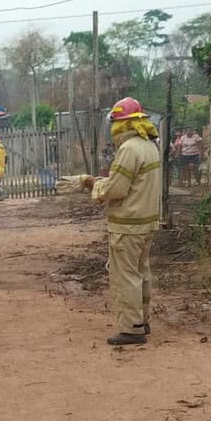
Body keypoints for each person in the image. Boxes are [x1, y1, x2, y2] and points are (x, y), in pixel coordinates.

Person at [79, 97, 163, 346]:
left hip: (127, 225)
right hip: (146, 223)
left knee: (125, 277)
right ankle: (142, 320)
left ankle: (132, 328)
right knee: (141, 273)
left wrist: (96, 186)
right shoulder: (149, 146)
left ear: (120, 124)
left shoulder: (128, 150)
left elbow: (117, 189)